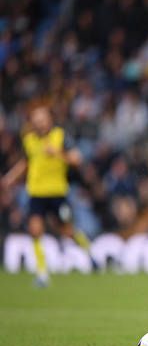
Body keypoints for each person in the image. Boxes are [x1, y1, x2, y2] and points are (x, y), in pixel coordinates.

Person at [1, 105, 91, 287]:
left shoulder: (60, 136)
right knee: (35, 230)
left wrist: (58, 153)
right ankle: (42, 273)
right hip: (36, 193)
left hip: (57, 192)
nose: (39, 123)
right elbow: (25, 163)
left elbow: (77, 159)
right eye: (36, 120)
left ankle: (91, 255)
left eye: (42, 119)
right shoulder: (29, 140)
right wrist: (9, 179)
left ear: (49, 120)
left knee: (67, 231)